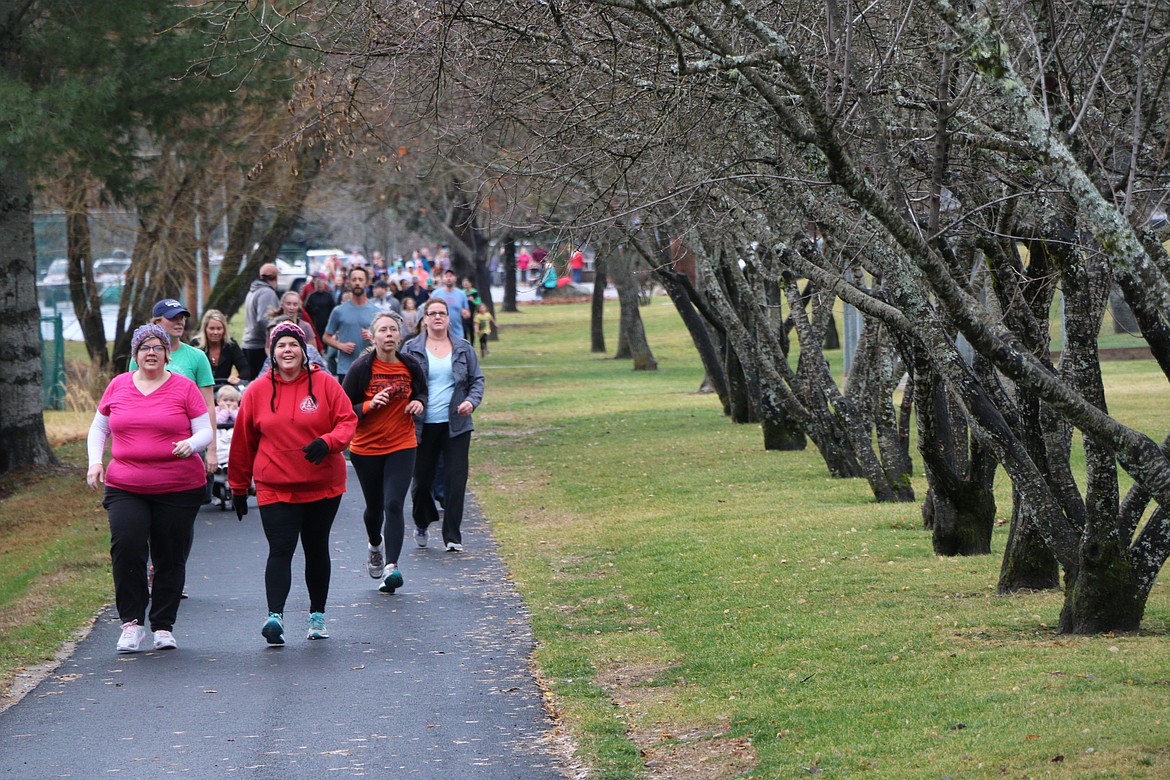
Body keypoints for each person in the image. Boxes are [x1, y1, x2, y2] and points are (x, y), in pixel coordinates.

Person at [228, 322, 357, 645]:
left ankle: (317, 616)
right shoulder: (257, 391)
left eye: (293, 345)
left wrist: (327, 442)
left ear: (303, 351)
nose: (288, 351)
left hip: (322, 486)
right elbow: (243, 441)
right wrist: (238, 487)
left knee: (316, 549)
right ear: (272, 352)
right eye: (281, 345)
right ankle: (275, 617)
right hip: (275, 486)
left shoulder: (325, 384)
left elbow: (347, 421)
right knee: (281, 549)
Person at [86, 324, 212, 653]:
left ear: (168, 354)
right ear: (135, 355)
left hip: (178, 486)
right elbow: (99, 427)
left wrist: (190, 444)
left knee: (169, 554)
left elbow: (205, 430)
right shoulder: (118, 386)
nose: (152, 352)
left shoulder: (184, 388)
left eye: (158, 347)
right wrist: (94, 462)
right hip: (126, 484)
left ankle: (163, 626)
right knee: (127, 546)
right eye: (145, 348)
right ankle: (131, 624)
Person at [342, 312, 426, 594]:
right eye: (383, 330)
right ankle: (375, 545)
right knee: (375, 508)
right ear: (373, 336)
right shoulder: (361, 368)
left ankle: (391, 566)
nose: (389, 334)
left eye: (393, 330)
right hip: (366, 448)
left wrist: (417, 403)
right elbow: (343, 410)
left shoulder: (410, 365)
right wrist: (368, 405)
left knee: (393, 504)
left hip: (402, 444)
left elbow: (421, 392)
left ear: (400, 336)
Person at [401, 298, 485, 552]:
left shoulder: (463, 348)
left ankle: (453, 536)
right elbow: (402, 383)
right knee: (422, 480)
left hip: (456, 424)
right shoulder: (410, 348)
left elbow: (477, 380)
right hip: (422, 425)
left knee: (455, 481)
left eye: (442, 313)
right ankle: (422, 522)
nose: (437, 317)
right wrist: (412, 402)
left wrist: (471, 402)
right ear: (424, 319)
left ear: (449, 318)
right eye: (432, 313)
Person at [323, 265, 376, 383]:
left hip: (371, 368)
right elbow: (326, 337)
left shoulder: (377, 311)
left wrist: (373, 337)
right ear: (348, 283)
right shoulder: (339, 311)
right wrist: (340, 345)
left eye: (360, 280)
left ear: (366, 283)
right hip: (345, 369)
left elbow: (386, 340)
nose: (357, 283)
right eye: (354, 279)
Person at [243, 262, 280, 379]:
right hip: (259, 346)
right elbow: (264, 319)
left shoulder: (253, 291)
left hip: (248, 344)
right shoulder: (266, 292)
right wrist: (275, 336)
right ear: (274, 277)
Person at [195, 309, 248, 386]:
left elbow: (245, 369)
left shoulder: (231, 345)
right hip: (200, 388)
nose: (215, 332)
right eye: (212, 328)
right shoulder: (196, 345)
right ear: (205, 329)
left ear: (224, 330)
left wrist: (237, 379)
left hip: (224, 389)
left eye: (219, 329)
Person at [429, 269, 471, 341]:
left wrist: (466, 314)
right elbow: (428, 312)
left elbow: (467, 313)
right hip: (438, 333)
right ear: (442, 279)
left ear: (455, 278)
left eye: (451, 276)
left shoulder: (461, 294)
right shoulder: (435, 294)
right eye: (446, 276)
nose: (448, 278)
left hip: (457, 333)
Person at [303, 276, 335, 343]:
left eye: (321, 285)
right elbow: (306, 308)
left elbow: (333, 307)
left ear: (324, 285)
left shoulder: (328, 295)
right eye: (318, 285)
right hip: (315, 322)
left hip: (327, 321)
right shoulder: (311, 295)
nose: (319, 286)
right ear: (315, 286)